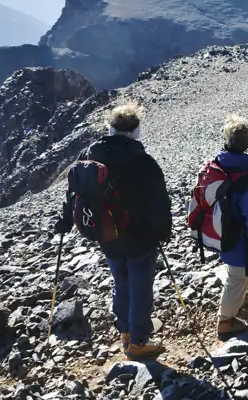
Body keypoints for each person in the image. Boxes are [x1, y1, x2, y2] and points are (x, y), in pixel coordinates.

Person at [55, 103, 171, 361]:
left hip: (106, 234)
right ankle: (139, 343)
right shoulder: (144, 161)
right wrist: (163, 231)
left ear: (109, 127)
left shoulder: (90, 155)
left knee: (121, 282)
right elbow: (159, 202)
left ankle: (125, 334)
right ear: (136, 130)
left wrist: (64, 221)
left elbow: (74, 191)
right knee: (141, 288)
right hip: (139, 237)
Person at [211, 115, 248, 338]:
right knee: (238, 275)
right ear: (247, 143)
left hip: (220, 233)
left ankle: (240, 296)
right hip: (240, 240)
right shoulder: (247, 182)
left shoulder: (217, 168)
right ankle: (225, 320)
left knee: (237, 272)